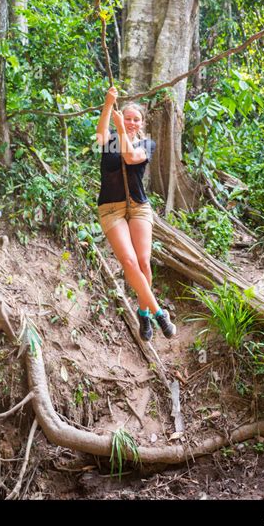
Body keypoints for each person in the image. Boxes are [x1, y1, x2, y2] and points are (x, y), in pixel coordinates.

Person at [95, 85, 176, 341]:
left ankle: (143, 312)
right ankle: (159, 313)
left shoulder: (146, 144)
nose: (131, 122)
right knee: (129, 262)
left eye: (135, 119)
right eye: (127, 118)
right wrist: (109, 103)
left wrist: (121, 129)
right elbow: (100, 134)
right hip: (111, 209)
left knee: (143, 262)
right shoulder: (108, 141)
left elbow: (130, 158)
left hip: (139, 208)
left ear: (142, 123)